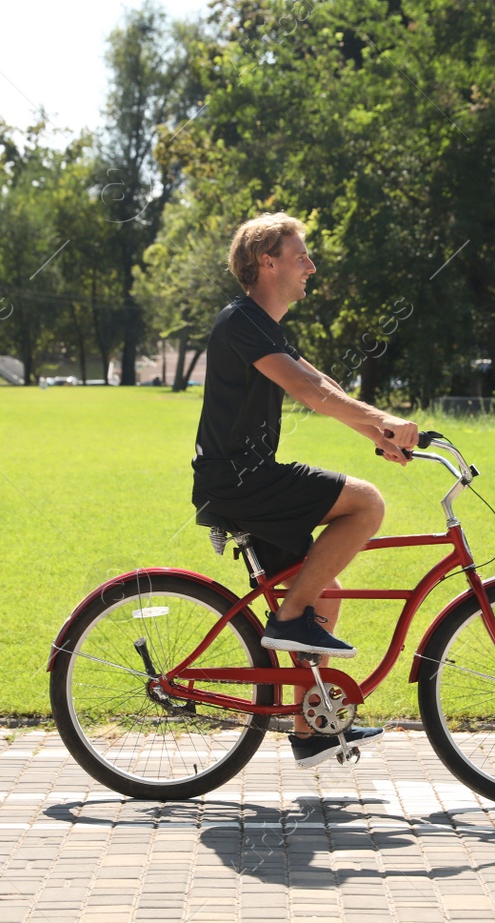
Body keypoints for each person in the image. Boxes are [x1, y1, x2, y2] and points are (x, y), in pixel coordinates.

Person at [192, 212, 418, 768]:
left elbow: (324, 385)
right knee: (366, 503)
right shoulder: (241, 322)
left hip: (244, 479)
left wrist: (379, 434)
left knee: (329, 594)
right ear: (267, 262)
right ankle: (288, 618)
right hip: (242, 480)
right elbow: (306, 390)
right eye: (301, 257)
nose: (311, 267)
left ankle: (309, 728)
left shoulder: (263, 325)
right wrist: (385, 418)